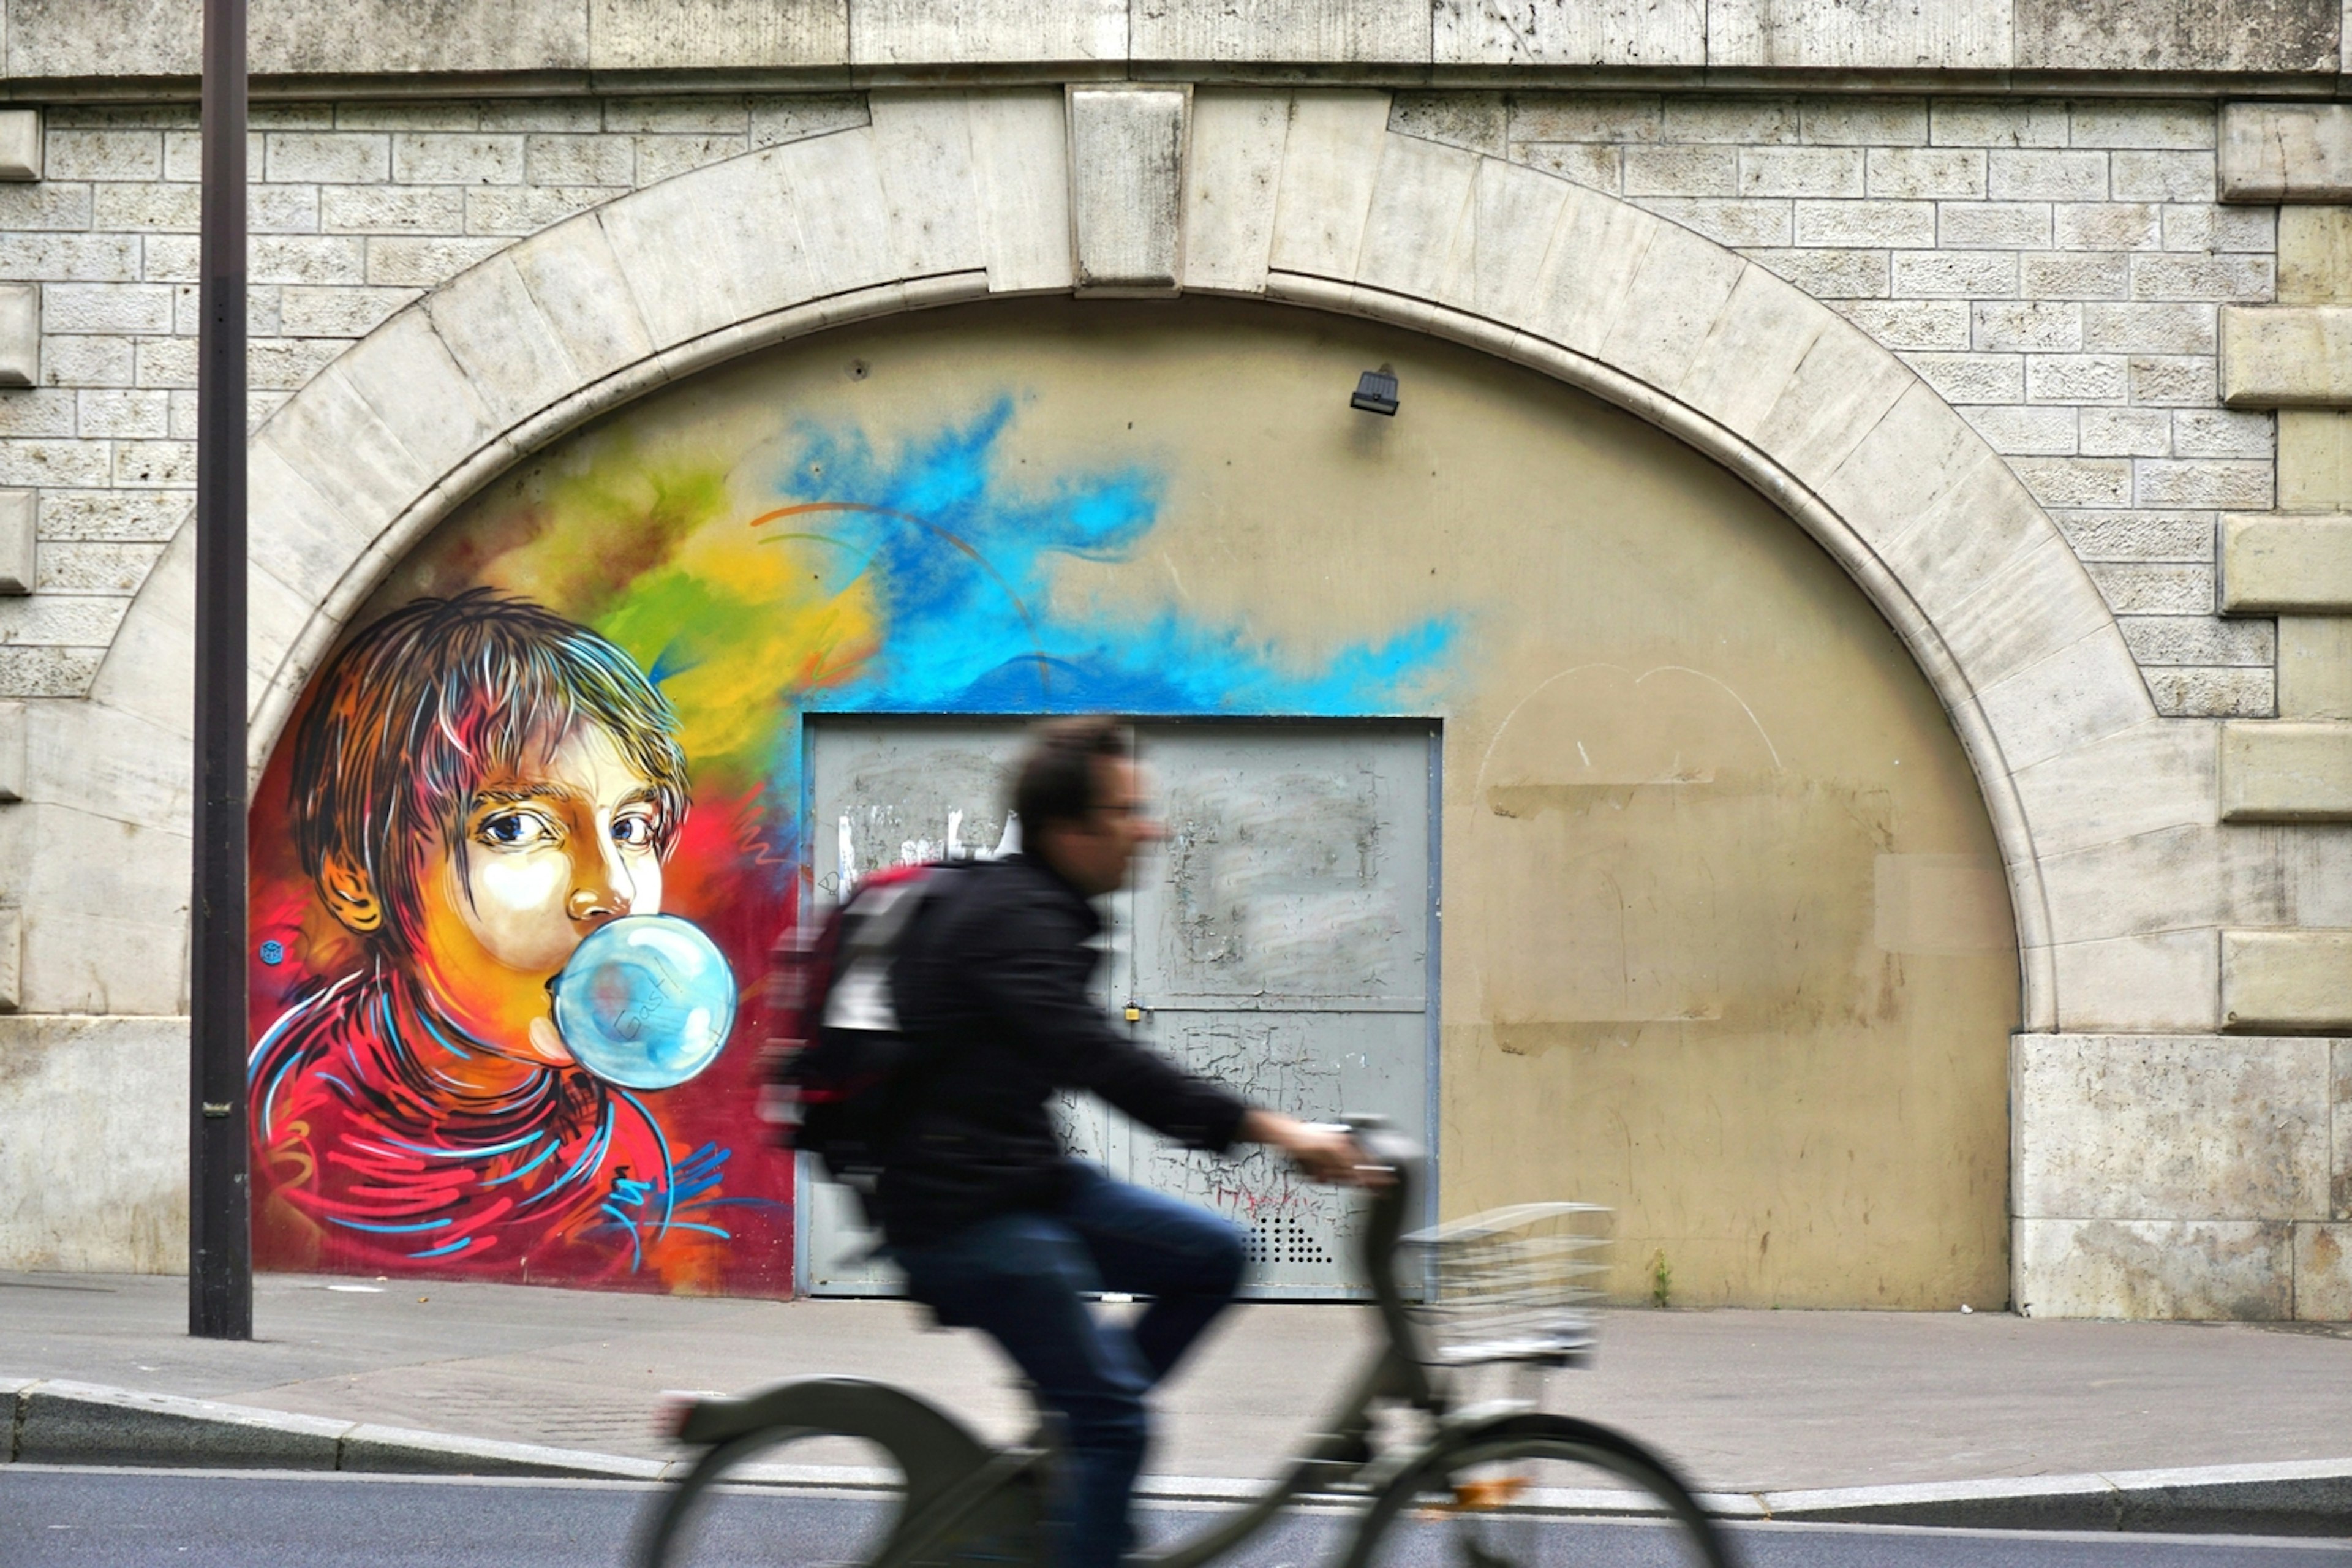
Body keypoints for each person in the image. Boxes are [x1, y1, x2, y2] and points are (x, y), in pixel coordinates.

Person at [880, 715, 1371, 1568]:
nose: (1154, 828)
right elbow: (1103, 1063)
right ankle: (1091, 1450)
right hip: (960, 1217)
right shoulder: (1015, 925)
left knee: (1214, 1255)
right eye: (1127, 811)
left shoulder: (1041, 911)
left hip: (1017, 1182)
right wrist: (1271, 1128)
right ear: (1070, 831)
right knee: (1116, 1425)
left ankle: (1078, 1447)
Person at [248, 589, 730, 1282]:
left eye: (630, 829)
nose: (614, 892)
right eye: (516, 828)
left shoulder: (633, 1171)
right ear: (355, 876)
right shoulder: (283, 1136)